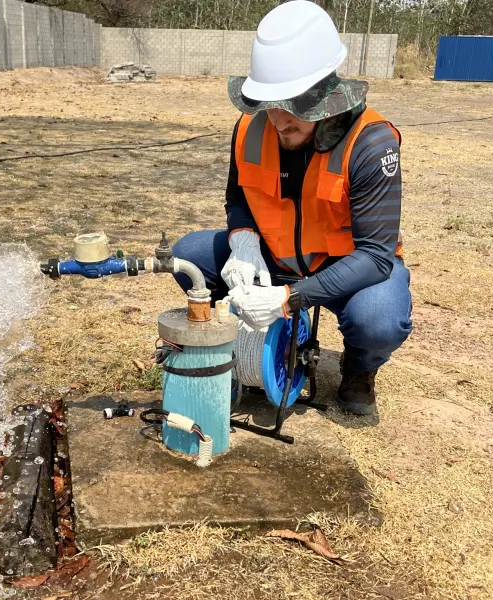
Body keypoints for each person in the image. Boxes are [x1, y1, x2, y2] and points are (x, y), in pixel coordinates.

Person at [172, 0, 412, 416]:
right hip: (273, 258)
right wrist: (243, 241)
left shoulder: (371, 143)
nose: (280, 121)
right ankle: (240, 347)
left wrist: (289, 297)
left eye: (294, 106)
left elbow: (376, 255)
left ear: (325, 94)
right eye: (270, 104)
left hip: (347, 269)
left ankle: (360, 367)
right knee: (188, 256)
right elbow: (238, 199)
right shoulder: (250, 129)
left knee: (379, 318)